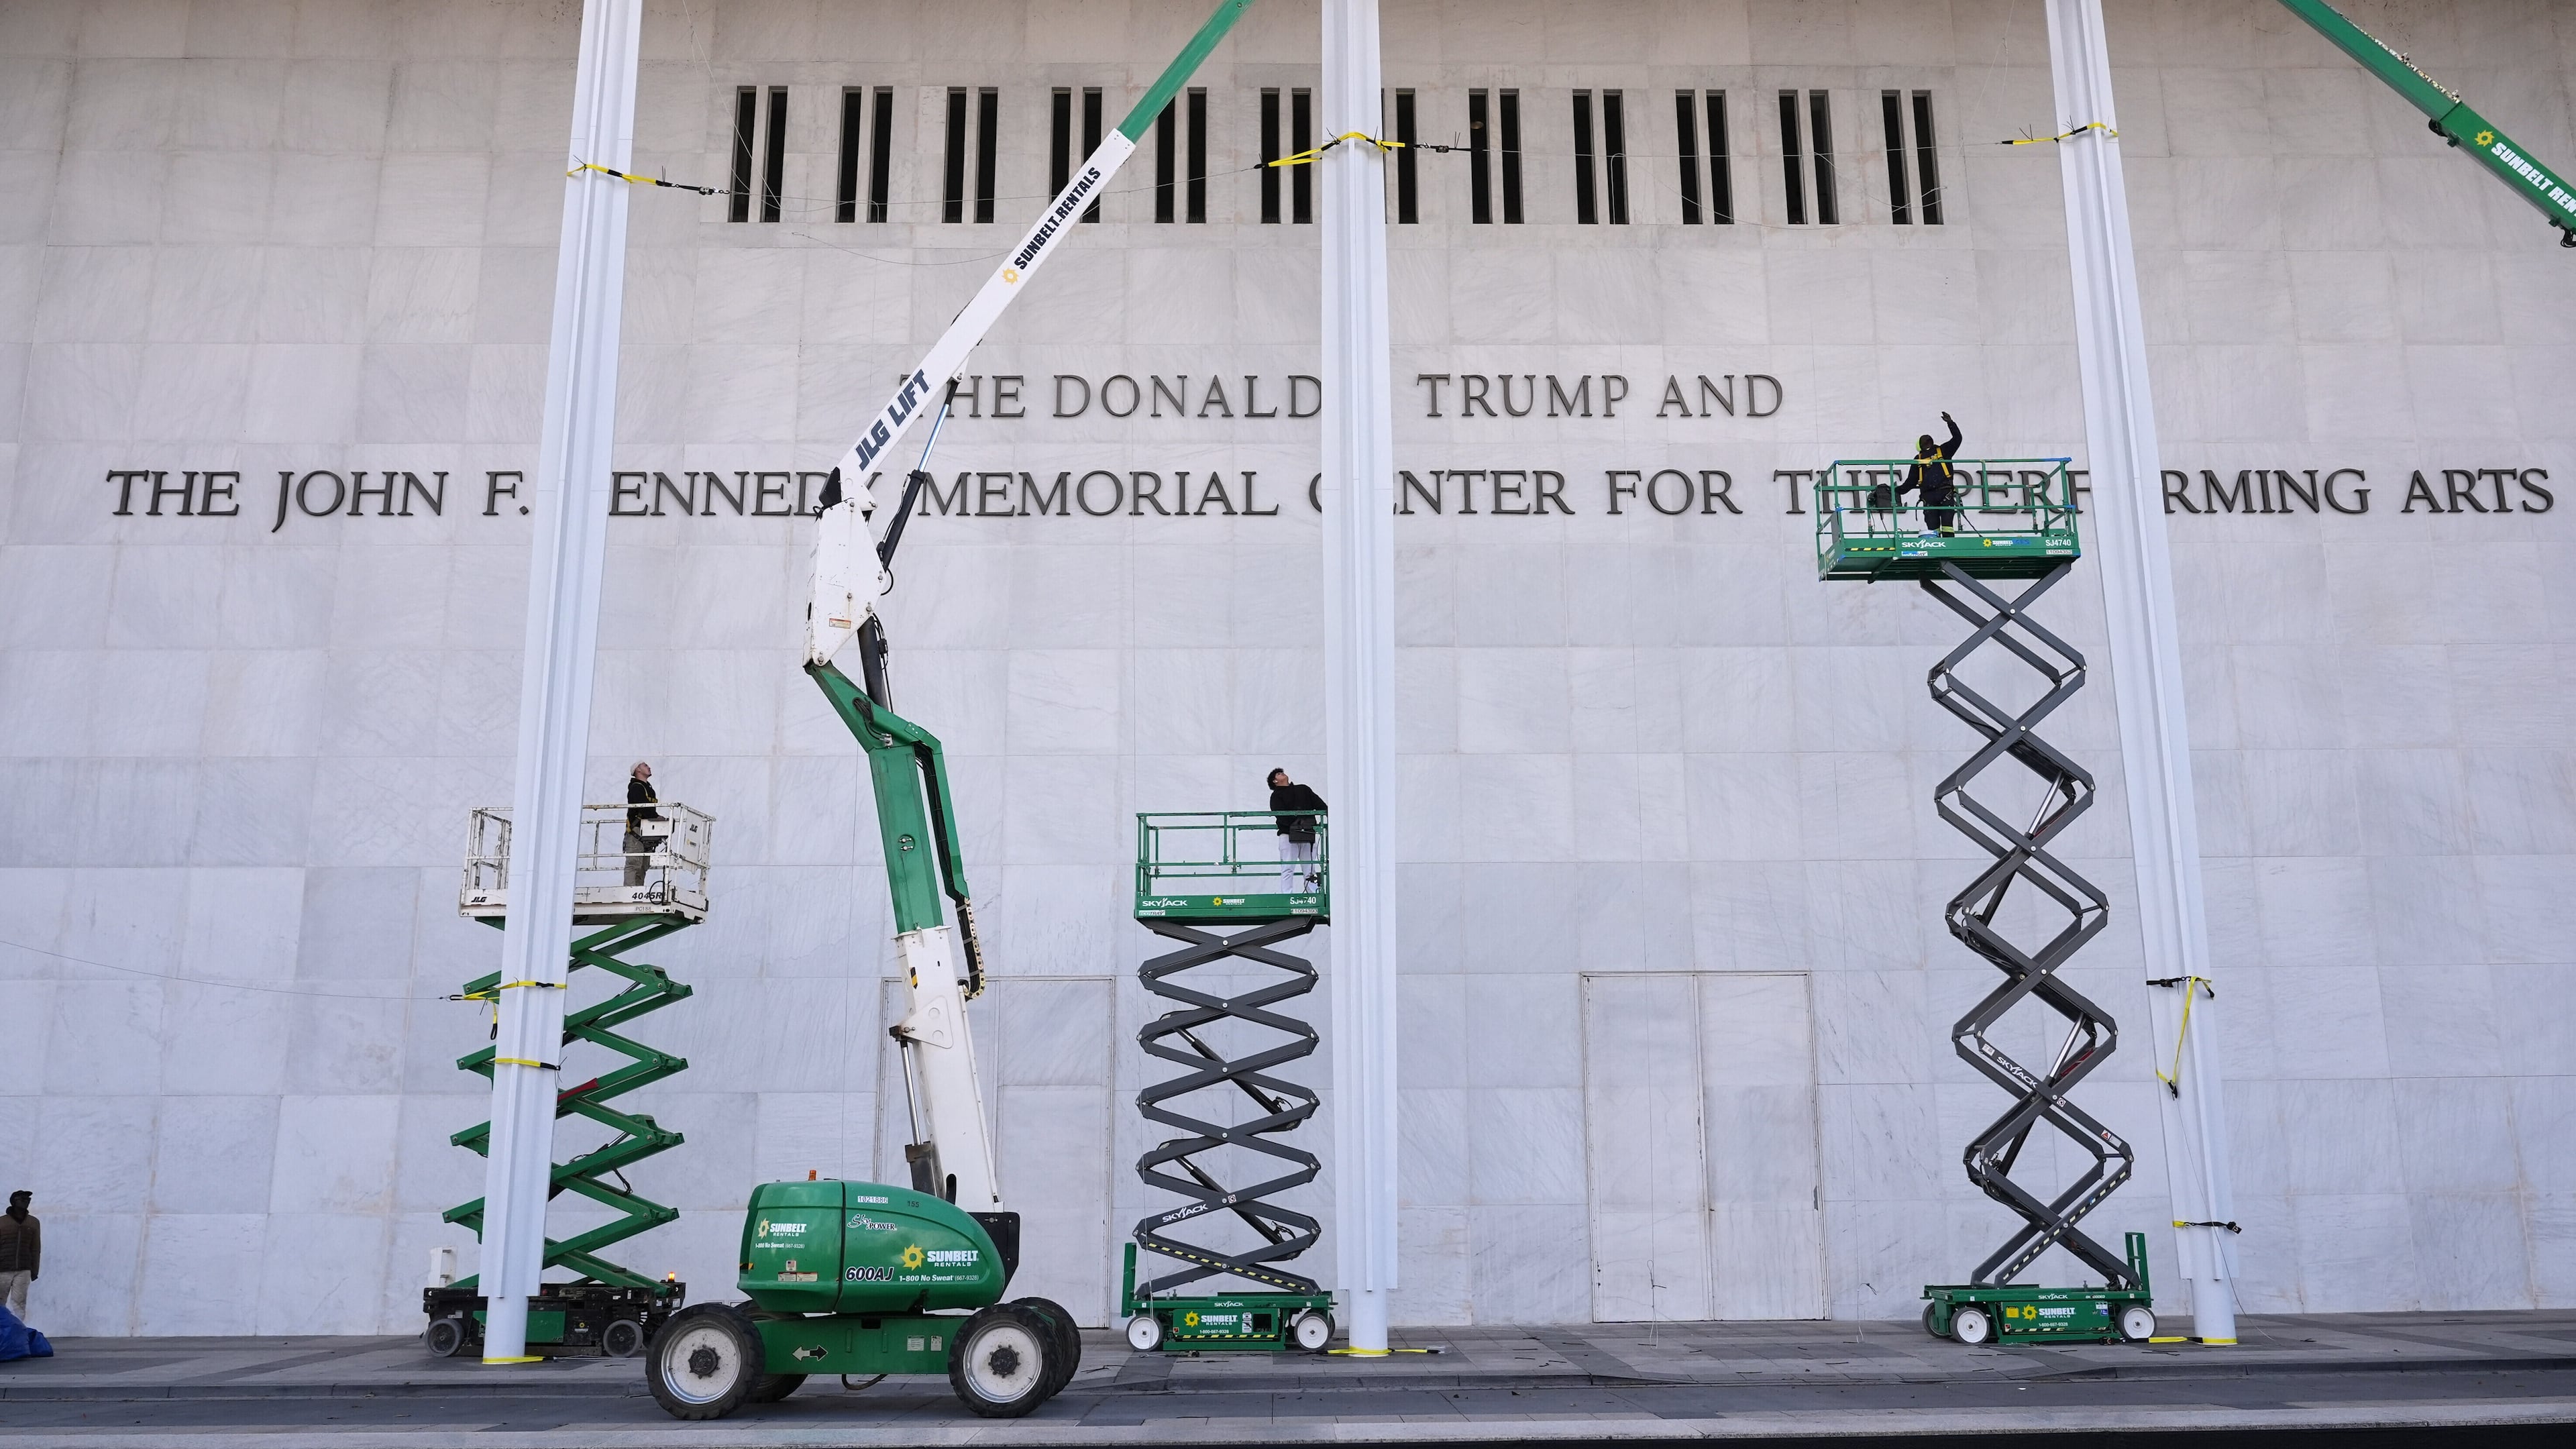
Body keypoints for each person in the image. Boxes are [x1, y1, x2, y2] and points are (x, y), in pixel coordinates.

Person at [1899, 411, 1964, 538]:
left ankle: (1944, 554)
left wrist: (1895, 491)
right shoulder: (1941, 452)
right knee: (1943, 528)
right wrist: (1950, 423)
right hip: (1939, 496)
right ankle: (1945, 554)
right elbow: (1957, 439)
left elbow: (1910, 483)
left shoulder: (1929, 455)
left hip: (1934, 496)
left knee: (1940, 528)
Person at [1267, 769, 1326, 893]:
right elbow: (1280, 815)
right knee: (1288, 867)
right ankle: (1287, 896)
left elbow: (1321, 805)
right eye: (1278, 774)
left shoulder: (1303, 789)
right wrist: (1298, 823)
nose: (1282, 773)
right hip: (1289, 835)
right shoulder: (1276, 796)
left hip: (1307, 834)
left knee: (1309, 868)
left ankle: (1314, 894)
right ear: (1275, 781)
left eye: (1282, 772)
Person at [1, 1191, 37, 1322]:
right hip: (2, 1269)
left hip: (24, 1269)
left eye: (28, 1199)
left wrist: (34, 1270)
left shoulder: (33, 1223)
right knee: (0, 1303)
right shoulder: (2, 1222)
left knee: (19, 1304)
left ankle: (18, 1332)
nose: (26, 1201)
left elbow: (35, 1248)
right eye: (22, 1199)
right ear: (14, 1201)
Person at [625, 761, 661, 889]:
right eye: (645, 766)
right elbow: (645, 809)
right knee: (634, 864)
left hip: (646, 832)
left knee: (643, 866)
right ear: (638, 770)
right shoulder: (636, 787)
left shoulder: (648, 789)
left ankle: (637, 893)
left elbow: (649, 810)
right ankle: (629, 893)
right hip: (636, 831)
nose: (649, 767)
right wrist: (657, 818)